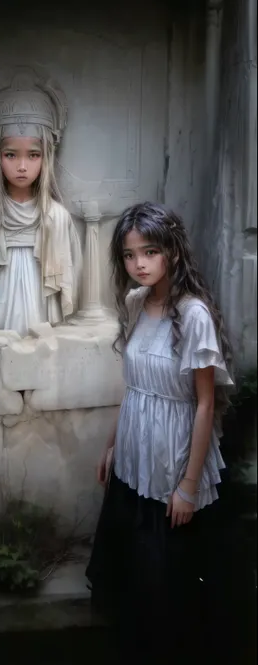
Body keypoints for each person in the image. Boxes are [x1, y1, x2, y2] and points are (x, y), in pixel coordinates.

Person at [85, 202, 235, 661]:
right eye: (130, 255)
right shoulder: (135, 302)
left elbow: (205, 403)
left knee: (167, 591)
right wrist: (113, 446)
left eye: (149, 251)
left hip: (173, 464)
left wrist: (188, 487)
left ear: (172, 250)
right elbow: (135, 387)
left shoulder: (193, 316)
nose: (139, 264)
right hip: (134, 456)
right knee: (133, 583)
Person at [0, 75, 81, 337]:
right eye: (11, 154)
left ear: (46, 157)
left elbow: (71, 278)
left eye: (33, 155)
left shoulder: (57, 217)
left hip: (41, 320)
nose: (22, 166)